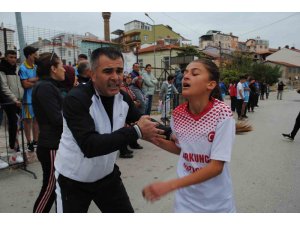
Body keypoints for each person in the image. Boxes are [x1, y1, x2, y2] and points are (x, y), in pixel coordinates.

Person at [54, 47, 164, 213]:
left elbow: (144, 122)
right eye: (108, 71)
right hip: (73, 180)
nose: (116, 77)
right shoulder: (76, 99)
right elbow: (90, 146)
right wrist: (136, 131)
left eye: (119, 71)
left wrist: (175, 134)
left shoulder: (122, 97)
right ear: (92, 74)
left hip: (106, 176)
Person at [142, 59, 236, 213]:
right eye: (185, 72)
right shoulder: (178, 114)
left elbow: (216, 167)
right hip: (185, 203)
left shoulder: (222, 113)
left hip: (216, 204)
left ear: (210, 85)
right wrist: (152, 138)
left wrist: (169, 185)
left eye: (195, 73)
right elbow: (183, 150)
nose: (186, 76)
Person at [32, 52, 65, 213]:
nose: (64, 69)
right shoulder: (45, 87)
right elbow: (57, 118)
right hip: (50, 145)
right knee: (50, 188)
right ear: (53, 68)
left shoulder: (49, 86)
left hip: (54, 143)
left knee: (57, 187)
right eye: (61, 66)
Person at [0, 50, 23, 156]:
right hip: (9, 101)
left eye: (15, 57)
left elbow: (19, 84)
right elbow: (4, 87)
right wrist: (14, 99)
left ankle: (15, 146)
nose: (13, 59)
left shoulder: (17, 68)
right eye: (10, 57)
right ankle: (13, 147)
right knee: (13, 123)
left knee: (17, 123)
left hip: (18, 100)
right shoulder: (2, 69)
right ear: (5, 57)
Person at [18, 46, 39, 152]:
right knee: (28, 121)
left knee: (36, 120)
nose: (37, 55)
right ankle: (29, 142)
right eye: (35, 53)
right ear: (30, 55)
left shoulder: (36, 67)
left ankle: (36, 141)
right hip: (27, 100)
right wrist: (36, 80)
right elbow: (25, 85)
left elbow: (29, 82)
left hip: (36, 98)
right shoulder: (22, 68)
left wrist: (31, 80)